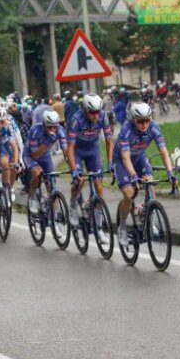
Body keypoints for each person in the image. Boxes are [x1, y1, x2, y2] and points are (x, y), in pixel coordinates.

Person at [113, 102, 177, 246]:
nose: (144, 124)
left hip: (140, 158)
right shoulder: (126, 131)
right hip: (122, 161)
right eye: (140, 121)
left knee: (150, 185)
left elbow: (164, 151)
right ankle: (122, 226)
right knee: (129, 195)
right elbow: (125, 157)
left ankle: (150, 222)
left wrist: (170, 172)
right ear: (134, 120)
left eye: (147, 120)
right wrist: (133, 176)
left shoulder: (154, 128)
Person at [67, 93, 114, 245]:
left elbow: (108, 141)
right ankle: (73, 205)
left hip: (93, 151)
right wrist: (74, 169)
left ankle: (99, 228)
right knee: (79, 182)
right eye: (92, 112)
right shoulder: (76, 119)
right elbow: (70, 147)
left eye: (97, 112)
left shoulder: (103, 116)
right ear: (85, 110)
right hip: (78, 152)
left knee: (99, 189)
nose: (95, 116)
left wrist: (111, 162)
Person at [23, 110, 74, 215]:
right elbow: (35, 155)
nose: (52, 129)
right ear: (44, 125)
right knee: (37, 173)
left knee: (51, 185)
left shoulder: (59, 130)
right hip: (30, 155)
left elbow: (65, 151)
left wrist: (72, 167)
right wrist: (48, 141)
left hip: (45, 156)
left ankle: (55, 216)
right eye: (49, 127)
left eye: (54, 126)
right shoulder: (35, 130)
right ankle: (32, 197)